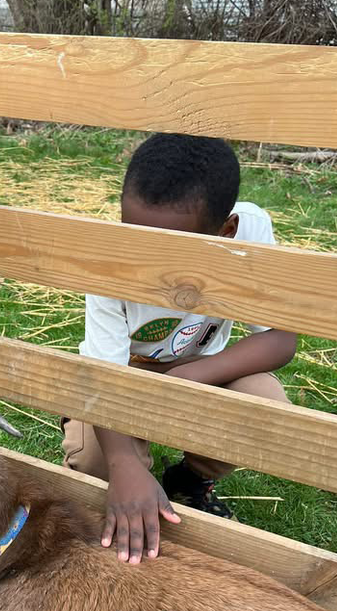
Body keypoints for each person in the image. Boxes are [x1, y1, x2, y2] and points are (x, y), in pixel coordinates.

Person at [62, 133, 297, 565]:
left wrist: (193, 375)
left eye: (169, 250)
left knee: (265, 402)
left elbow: (281, 338)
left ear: (224, 231)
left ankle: (190, 480)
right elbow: (102, 375)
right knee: (96, 462)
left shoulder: (250, 231)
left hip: (199, 367)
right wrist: (123, 465)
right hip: (123, 375)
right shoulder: (107, 257)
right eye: (134, 237)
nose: (148, 260)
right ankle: (131, 475)